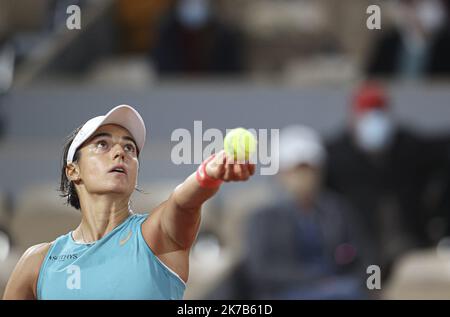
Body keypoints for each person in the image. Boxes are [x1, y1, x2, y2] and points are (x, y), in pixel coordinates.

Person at [2, 105, 255, 300]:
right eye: (102, 144)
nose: (120, 152)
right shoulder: (37, 262)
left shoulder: (157, 237)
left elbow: (183, 203)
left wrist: (207, 174)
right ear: (73, 171)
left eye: (130, 148)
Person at [325, 83, 447, 279]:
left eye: (378, 113)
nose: (373, 121)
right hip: (358, 248)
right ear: (353, 118)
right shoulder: (335, 154)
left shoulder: (409, 145)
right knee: (369, 285)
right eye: (366, 114)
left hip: (409, 244)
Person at [242, 125, 368, 299]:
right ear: (281, 173)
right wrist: (315, 278)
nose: (304, 176)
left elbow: (359, 255)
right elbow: (261, 270)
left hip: (339, 290)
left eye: (310, 169)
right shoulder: (263, 219)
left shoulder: (338, 211)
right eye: (297, 170)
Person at [365, 0, 450, 79]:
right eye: (410, 6)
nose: (415, 13)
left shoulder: (445, 45)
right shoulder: (388, 42)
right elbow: (373, 77)